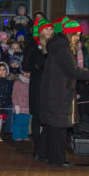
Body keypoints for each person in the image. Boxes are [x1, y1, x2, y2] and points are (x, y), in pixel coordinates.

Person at [38, 20, 89, 167]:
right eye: (76, 35)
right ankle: (56, 159)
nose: (78, 38)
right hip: (58, 94)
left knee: (51, 128)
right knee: (58, 129)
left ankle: (45, 155)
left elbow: (71, 69)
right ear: (69, 34)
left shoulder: (59, 47)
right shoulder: (62, 49)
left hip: (55, 93)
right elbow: (73, 70)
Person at [22, 18, 54, 160]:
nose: (49, 31)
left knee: (48, 117)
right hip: (37, 84)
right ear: (41, 31)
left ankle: (46, 147)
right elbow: (27, 64)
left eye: (51, 29)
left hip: (51, 85)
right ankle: (37, 147)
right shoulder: (33, 44)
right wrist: (39, 63)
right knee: (37, 116)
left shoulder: (55, 45)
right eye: (47, 29)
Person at [12, 70, 31, 141]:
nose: (27, 74)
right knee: (18, 122)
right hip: (19, 107)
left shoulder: (30, 83)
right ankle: (16, 136)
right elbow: (14, 95)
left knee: (25, 123)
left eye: (28, 72)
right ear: (22, 72)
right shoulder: (17, 82)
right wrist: (16, 105)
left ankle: (24, 136)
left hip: (27, 107)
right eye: (26, 72)